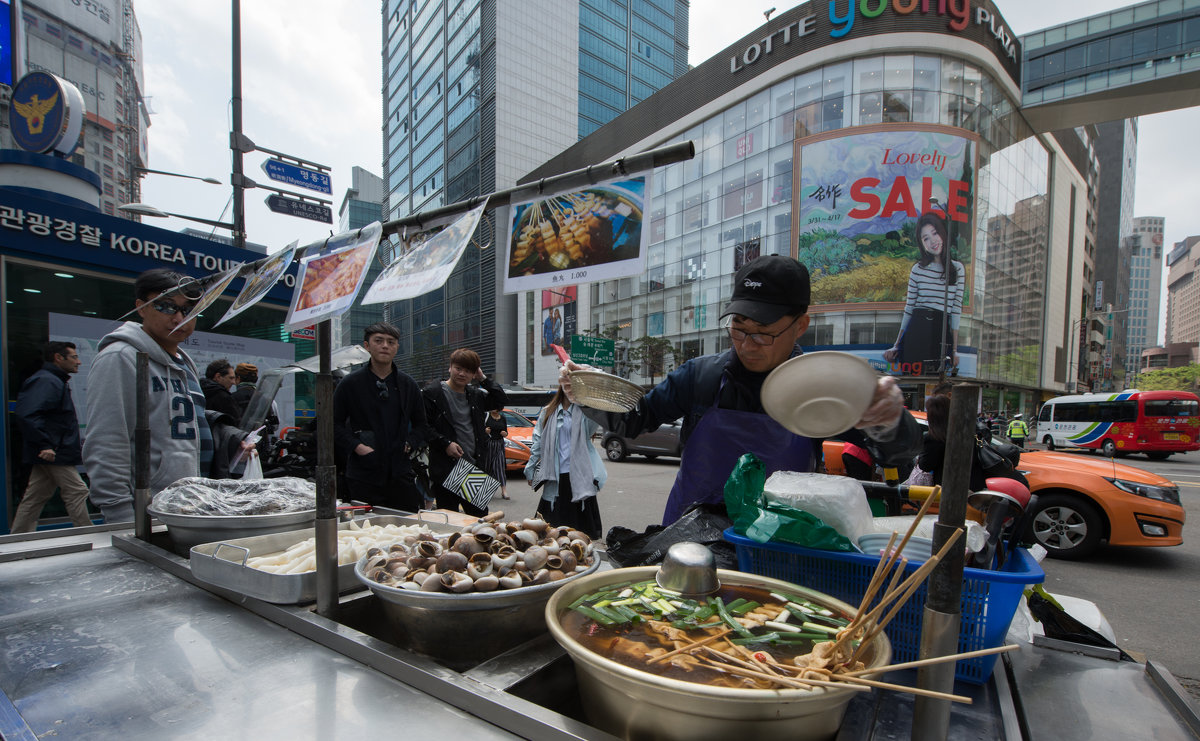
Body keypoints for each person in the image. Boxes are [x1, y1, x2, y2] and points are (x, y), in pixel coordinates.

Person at [562, 254, 921, 526]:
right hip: (690, 538)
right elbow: (634, 420)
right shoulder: (699, 376)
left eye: (763, 332)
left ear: (801, 326)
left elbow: (895, 456)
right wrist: (588, 389)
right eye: (738, 327)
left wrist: (888, 421)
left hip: (778, 542)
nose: (748, 344)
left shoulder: (821, 387)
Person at [84, 269, 252, 523]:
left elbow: (181, 422)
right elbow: (107, 440)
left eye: (188, 311)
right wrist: (120, 513)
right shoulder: (120, 357)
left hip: (188, 507)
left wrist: (230, 441)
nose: (178, 318)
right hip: (146, 513)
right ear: (141, 307)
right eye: (166, 307)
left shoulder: (183, 362)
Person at [332, 323, 429, 511]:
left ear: (397, 347)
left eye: (391, 342)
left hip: (400, 471)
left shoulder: (408, 384)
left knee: (406, 527)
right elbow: (333, 424)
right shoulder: (350, 383)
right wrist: (358, 447)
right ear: (367, 346)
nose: (385, 345)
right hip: (363, 473)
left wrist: (411, 442)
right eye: (379, 341)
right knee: (367, 531)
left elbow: (421, 425)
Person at [10, 341, 93, 532]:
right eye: (74, 357)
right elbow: (28, 413)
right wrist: (45, 445)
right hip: (53, 451)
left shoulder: (52, 380)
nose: (79, 362)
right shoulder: (46, 381)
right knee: (77, 490)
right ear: (58, 357)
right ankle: (88, 534)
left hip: (53, 449)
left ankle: (18, 538)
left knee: (35, 496)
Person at [422, 348, 507, 516]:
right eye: (458, 368)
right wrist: (445, 444)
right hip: (447, 466)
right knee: (450, 522)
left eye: (468, 371)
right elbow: (424, 427)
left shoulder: (475, 395)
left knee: (481, 521)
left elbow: (500, 401)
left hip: (473, 466)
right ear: (450, 367)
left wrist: (483, 379)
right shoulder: (432, 393)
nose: (462, 374)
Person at [883, 211, 965, 375]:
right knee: (911, 378)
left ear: (942, 234)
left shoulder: (957, 269)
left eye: (934, 233)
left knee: (937, 379)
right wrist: (897, 344)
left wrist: (955, 349)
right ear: (922, 244)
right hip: (917, 328)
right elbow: (909, 308)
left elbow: (956, 311)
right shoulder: (917, 269)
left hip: (941, 331)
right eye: (926, 238)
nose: (932, 241)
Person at [524, 385, 607, 539]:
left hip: (579, 476)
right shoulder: (547, 411)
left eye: (575, 385)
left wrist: (588, 400)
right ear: (562, 385)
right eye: (568, 384)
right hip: (555, 476)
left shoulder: (584, 412)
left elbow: (596, 420)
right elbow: (538, 442)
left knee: (579, 534)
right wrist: (530, 469)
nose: (571, 388)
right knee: (552, 533)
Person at [483, 408, 511, 500]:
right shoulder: (486, 416)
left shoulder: (502, 418)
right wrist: (485, 431)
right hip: (488, 444)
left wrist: (504, 434)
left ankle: (504, 490)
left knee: (499, 466)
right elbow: (479, 429)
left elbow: (506, 432)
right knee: (487, 467)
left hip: (499, 444)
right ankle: (485, 490)